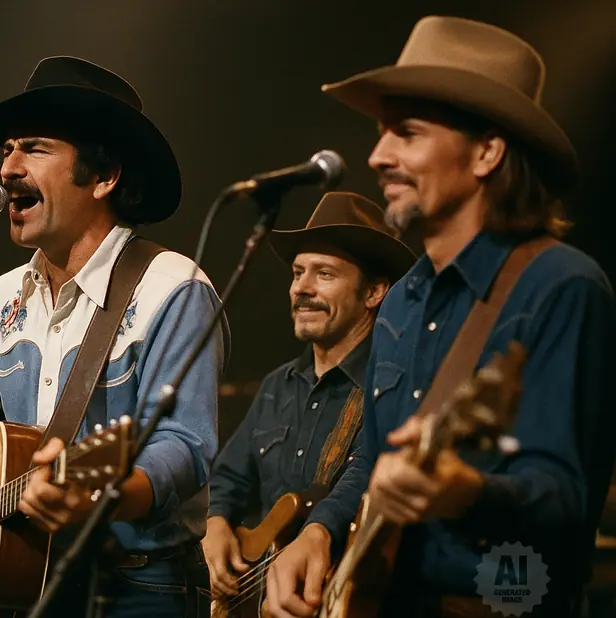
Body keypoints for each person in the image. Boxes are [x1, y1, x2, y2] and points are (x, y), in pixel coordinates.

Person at [261, 16, 616, 618]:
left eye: (408, 133)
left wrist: (465, 492)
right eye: (381, 134)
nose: (378, 156)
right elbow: (374, 462)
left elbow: (566, 498)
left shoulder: (562, 286)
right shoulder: (401, 300)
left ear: (486, 152)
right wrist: (319, 530)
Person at [0, 56, 228, 616]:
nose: (8, 169)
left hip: (139, 589)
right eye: (6, 149)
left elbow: (186, 445)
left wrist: (102, 494)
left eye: (35, 147)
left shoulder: (174, 289)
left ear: (104, 175)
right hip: (30, 585)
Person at [202, 193, 415, 601]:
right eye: (298, 273)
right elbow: (228, 477)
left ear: (374, 292)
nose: (302, 287)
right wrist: (215, 524)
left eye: (324, 274)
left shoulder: (392, 385)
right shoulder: (276, 386)